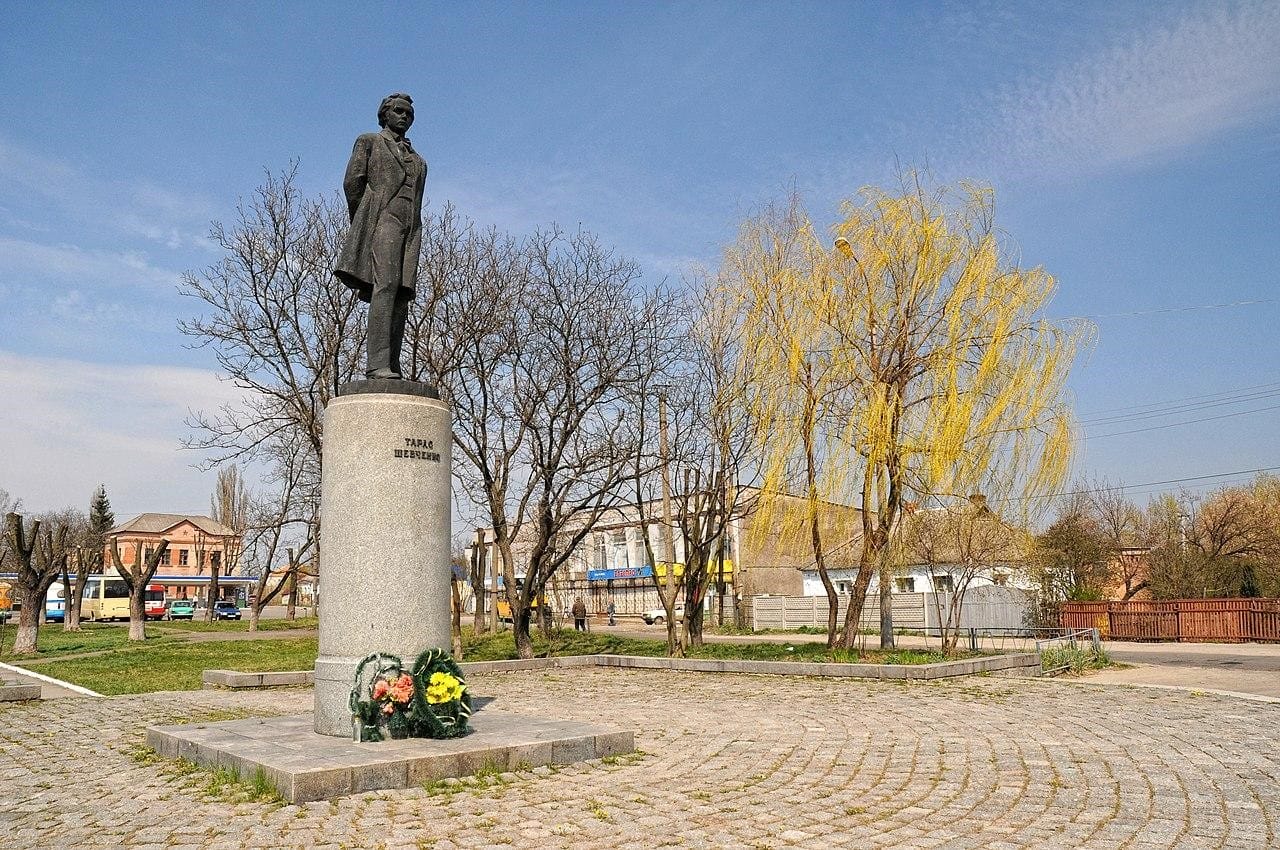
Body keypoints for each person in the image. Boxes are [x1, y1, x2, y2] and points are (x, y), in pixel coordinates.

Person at [334, 92, 427, 379]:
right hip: (381, 220)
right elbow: (353, 183)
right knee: (384, 286)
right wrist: (366, 220)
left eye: (408, 114)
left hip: (410, 228)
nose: (404, 116)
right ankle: (377, 365)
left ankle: (393, 366)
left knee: (401, 293)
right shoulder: (370, 142)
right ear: (384, 114)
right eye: (398, 111)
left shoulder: (419, 160)